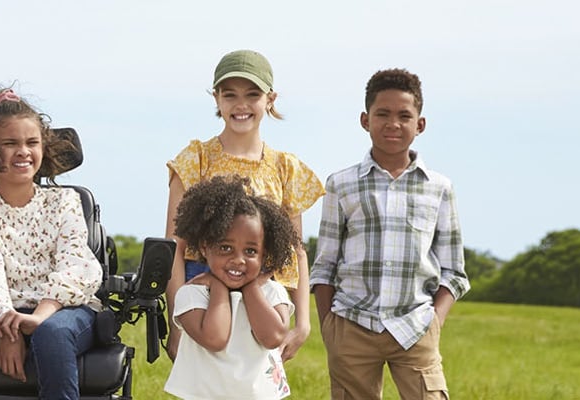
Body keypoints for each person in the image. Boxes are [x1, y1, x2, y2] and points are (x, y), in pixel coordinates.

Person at [310, 68, 469, 400]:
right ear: (365, 120)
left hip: (415, 326)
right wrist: (330, 329)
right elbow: (324, 265)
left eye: (404, 116)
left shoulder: (439, 188)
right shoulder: (341, 184)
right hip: (351, 325)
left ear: (419, 125)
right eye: (382, 114)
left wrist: (434, 323)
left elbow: (454, 272)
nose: (393, 124)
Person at [0, 86, 104, 400]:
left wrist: (38, 318)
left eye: (32, 143)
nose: (23, 152)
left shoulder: (65, 202)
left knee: (52, 334)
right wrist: (8, 326)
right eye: (10, 143)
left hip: (60, 309)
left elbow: (74, 266)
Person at [164, 50, 324, 361]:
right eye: (230, 94)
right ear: (216, 98)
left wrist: (302, 323)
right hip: (203, 291)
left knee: (254, 386)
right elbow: (174, 247)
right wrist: (176, 323)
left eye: (253, 94)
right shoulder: (195, 159)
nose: (241, 105)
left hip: (264, 291)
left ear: (270, 98)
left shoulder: (285, 167)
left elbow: (296, 250)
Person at [164, 176, 298, 400]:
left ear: (264, 254)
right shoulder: (192, 294)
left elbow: (273, 337)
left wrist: (251, 287)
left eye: (251, 252)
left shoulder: (272, 292)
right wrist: (218, 287)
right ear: (205, 248)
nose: (238, 260)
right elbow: (215, 338)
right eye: (226, 248)